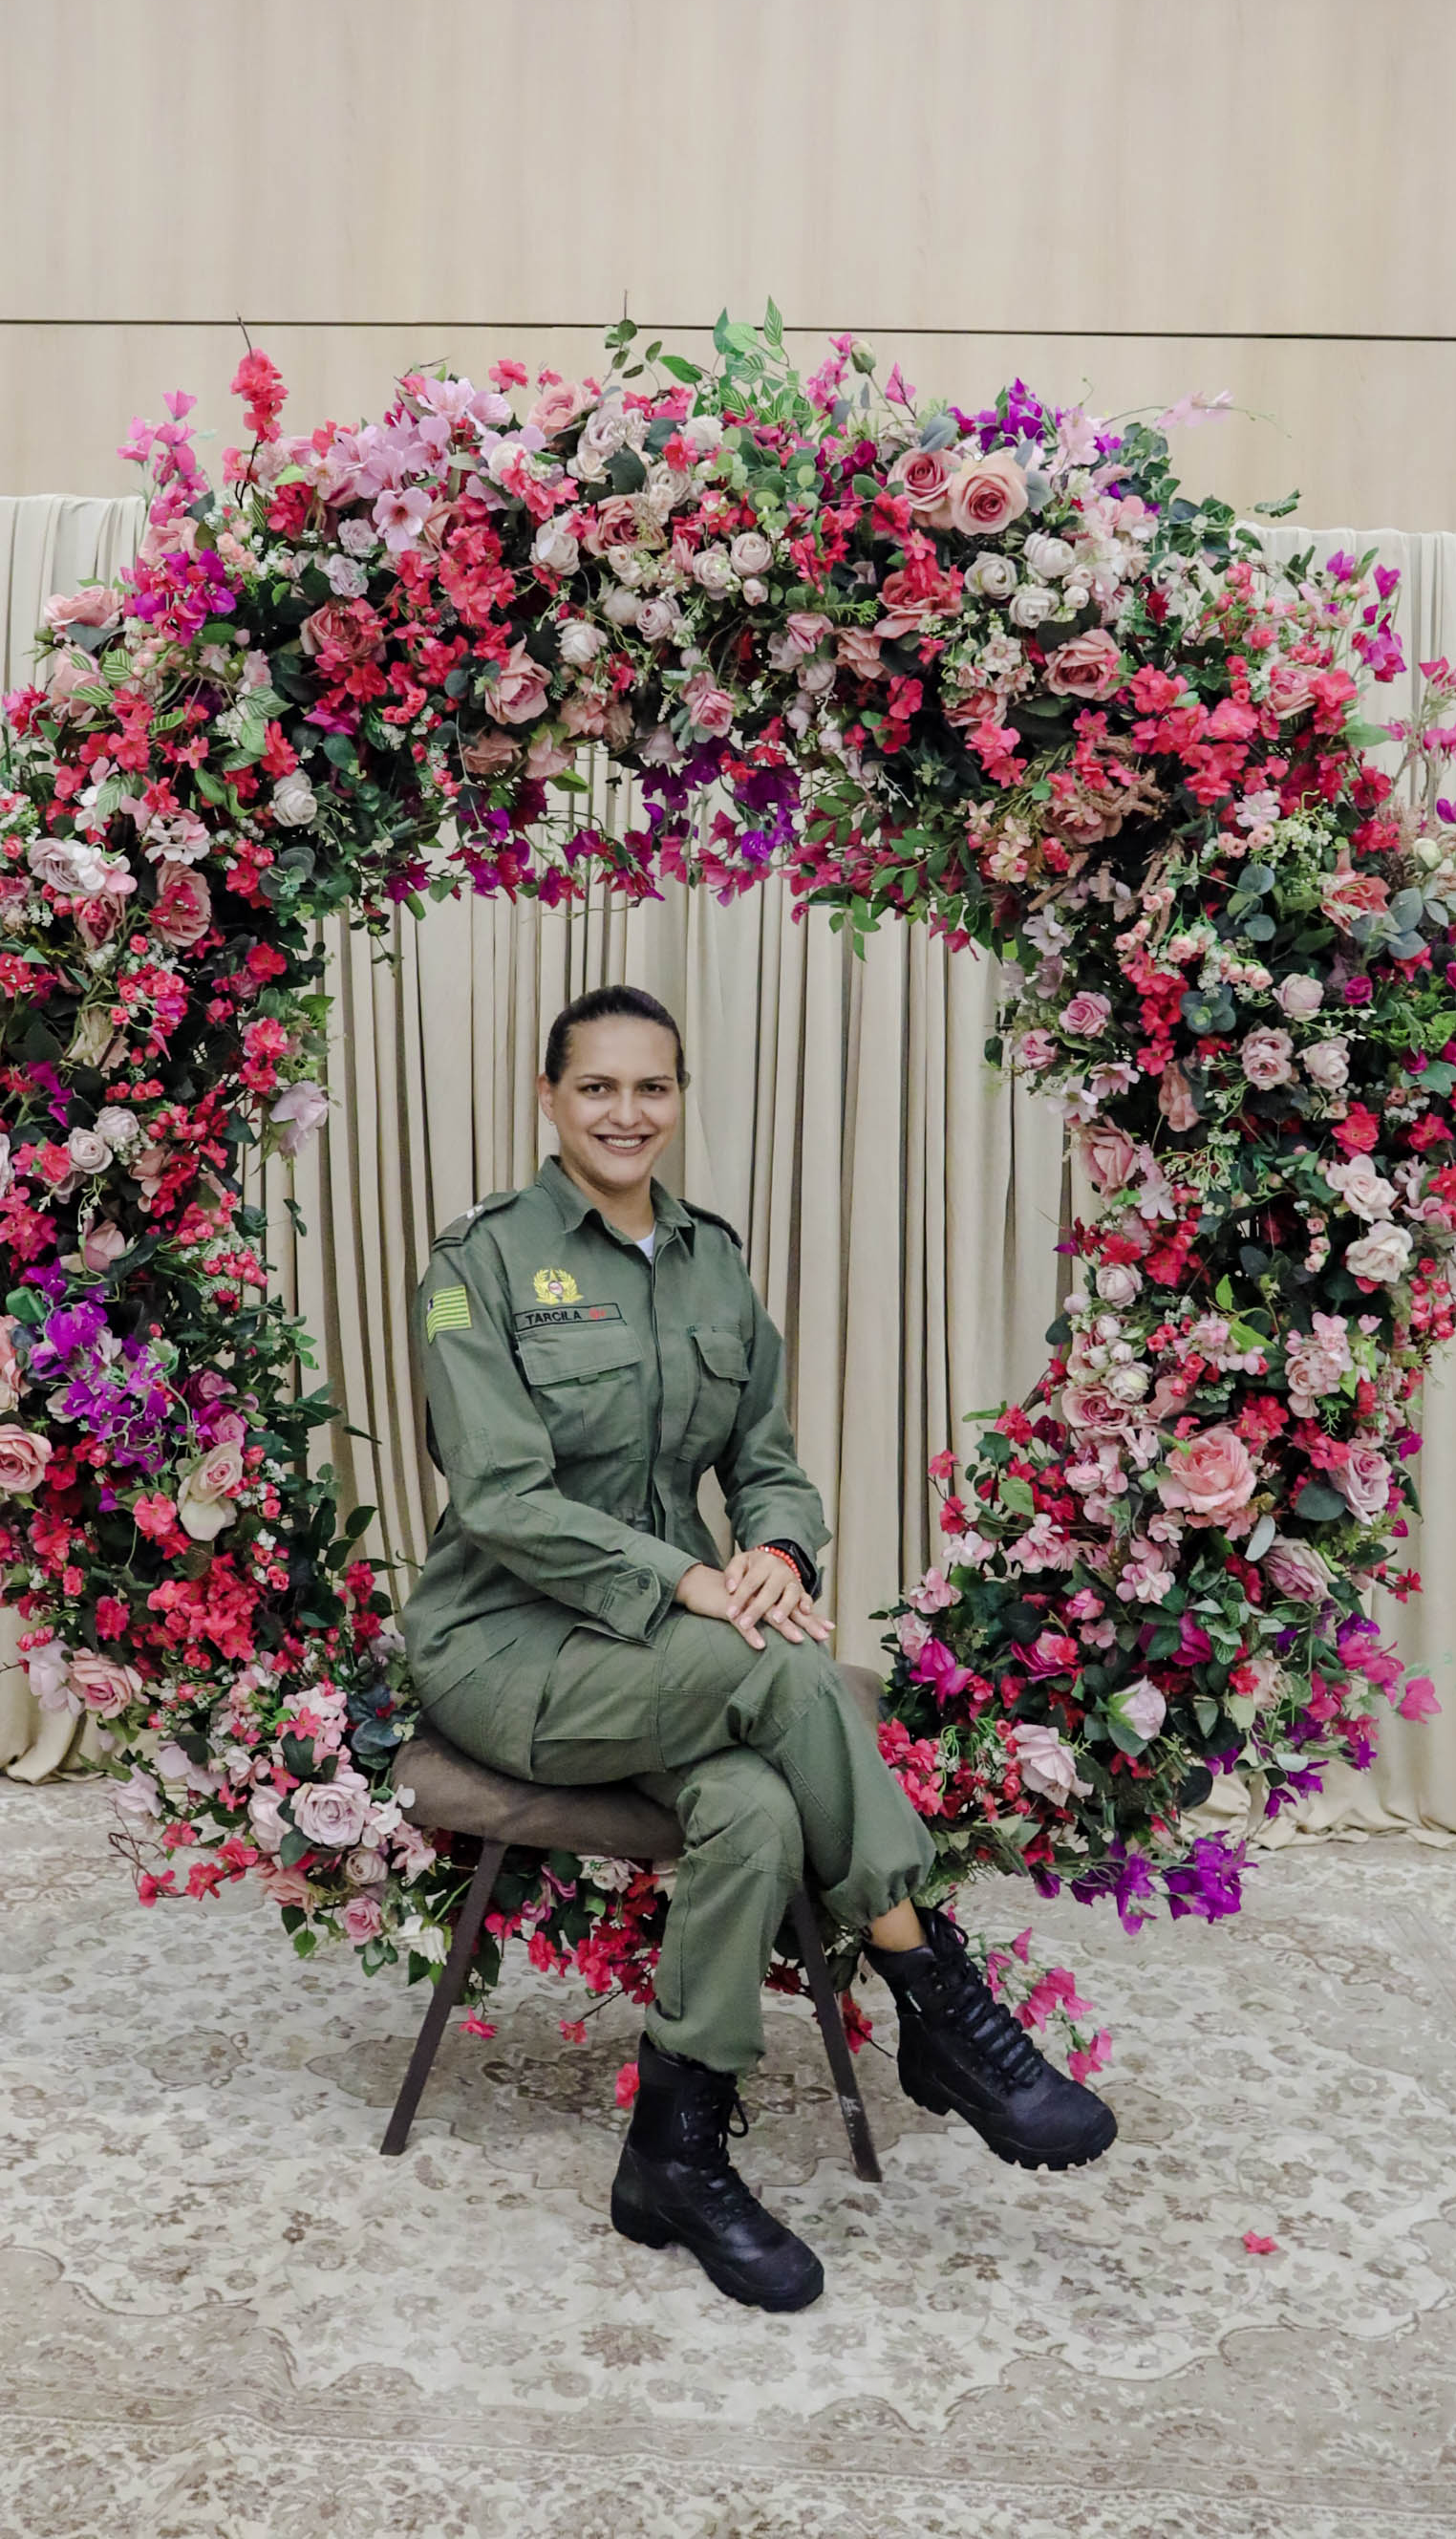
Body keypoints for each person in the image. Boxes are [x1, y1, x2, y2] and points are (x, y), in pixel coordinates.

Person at [406, 984, 1116, 2311]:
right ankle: (934, 1991)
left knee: (751, 1808)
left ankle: (671, 2151)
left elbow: (770, 1468)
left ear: (680, 1100)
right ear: (549, 1101)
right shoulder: (482, 1263)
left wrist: (777, 1555)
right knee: (782, 1671)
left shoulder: (715, 1261)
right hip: (513, 1651)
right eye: (600, 1087)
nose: (629, 1112)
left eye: (654, 1087)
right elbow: (500, 1500)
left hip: (685, 1649)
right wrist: (695, 1582)